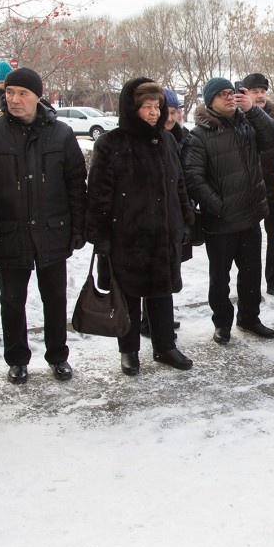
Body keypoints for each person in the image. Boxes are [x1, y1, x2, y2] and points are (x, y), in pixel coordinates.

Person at [0, 67, 86, 385]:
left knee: (55, 299)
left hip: (52, 231)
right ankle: (17, 359)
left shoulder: (61, 133)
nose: (15, 99)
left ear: (38, 97)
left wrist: (78, 229)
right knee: (12, 302)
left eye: (23, 93)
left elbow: (75, 184)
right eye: (10, 92)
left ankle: (58, 356)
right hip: (8, 232)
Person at [86, 78, 195, 375]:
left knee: (162, 294)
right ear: (131, 108)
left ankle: (165, 346)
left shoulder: (167, 140)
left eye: (157, 107)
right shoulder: (112, 143)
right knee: (129, 297)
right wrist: (101, 237)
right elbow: (98, 194)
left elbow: (179, 184)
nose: (153, 113)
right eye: (146, 107)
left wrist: (185, 218)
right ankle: (129, 351)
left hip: (163, 234)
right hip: (128, 236)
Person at [182, 76, 274, 344]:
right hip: (221, 221)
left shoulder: (247, 124)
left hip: (250, 218)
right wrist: (219, 205)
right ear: (210, 101)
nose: (229, 97)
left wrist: (252, 109)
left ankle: (250, 318)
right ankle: (222, 323)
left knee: (251, 274)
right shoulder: (199, 135)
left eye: (232, 92)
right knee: (220, 278)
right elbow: (193, 177)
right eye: (222, 94)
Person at [242, 72, 274, 299]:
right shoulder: (238, 119)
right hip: (245, 191)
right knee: (247, 244)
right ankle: (248, 289)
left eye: (262, 91)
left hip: (271, 189)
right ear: (245, 93)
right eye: (255, 91)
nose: (259, 95)